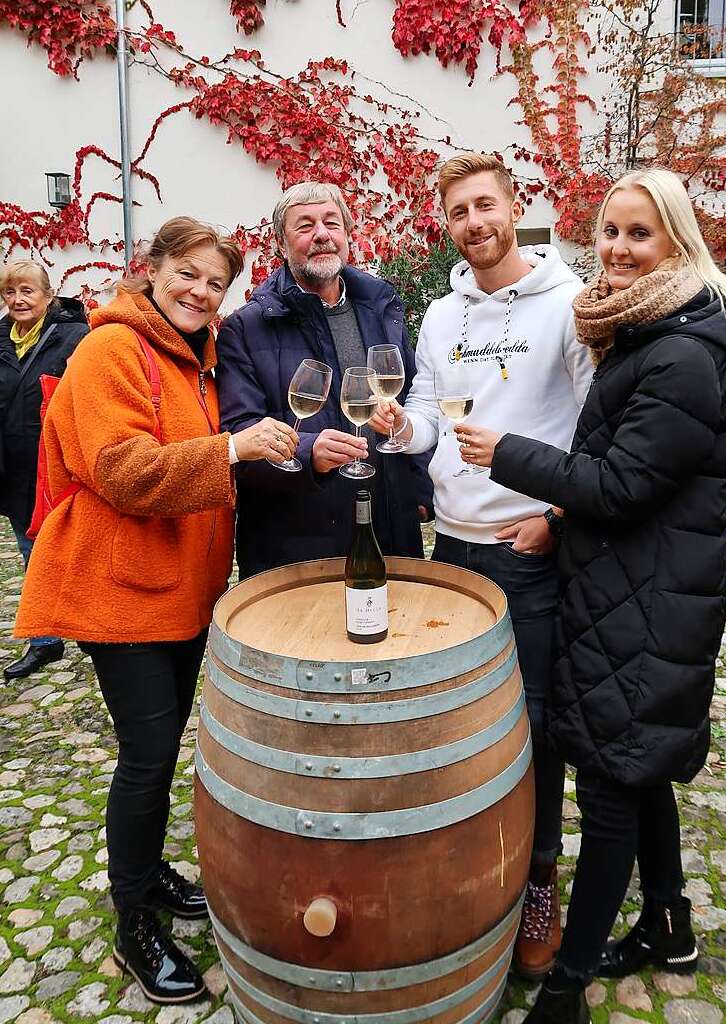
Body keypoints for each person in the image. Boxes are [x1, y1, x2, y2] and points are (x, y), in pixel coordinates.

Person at [457, 168, 726, 1024]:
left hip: (648, 602)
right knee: (639, 771)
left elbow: (623, 483)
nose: (619, 251)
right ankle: (669, 925)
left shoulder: (681, 355)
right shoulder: (650, 331)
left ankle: (567, 986)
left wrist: (509, 456)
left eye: (640, 234)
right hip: (632, 589)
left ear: (677, 241)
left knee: (607, 792)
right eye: (610, 233)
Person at [14, 217, 298, 1005]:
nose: (203, 293)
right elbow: (124, 470)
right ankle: (133, 918)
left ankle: (150, 873)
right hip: (122, 592)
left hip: (179, 591)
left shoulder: (191, 358)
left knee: (166, 741)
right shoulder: (111, 349)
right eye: (190, 274)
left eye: (216, 284)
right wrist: (235, 452)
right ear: (152, 268)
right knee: (145, 757)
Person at [370, 153, 594, 980]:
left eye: (485, 206)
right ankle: (472, 860)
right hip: (453, 549)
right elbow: (430, 416)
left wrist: (556, 517)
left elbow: (595, 424)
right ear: (448, 224)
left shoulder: (568, 304)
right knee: (460, 723)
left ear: (513, 207)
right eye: (459, 212)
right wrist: (400, 427)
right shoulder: (438, 315)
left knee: (531, 727)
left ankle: (538, 879)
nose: (475, 223)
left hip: (526, 549)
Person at [216, 181, 432, 577]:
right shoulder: (244, 330)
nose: (321, 235)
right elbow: (238, 433)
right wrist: (306, 452)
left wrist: (419, 486)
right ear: (281, 244)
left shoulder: (381, 308)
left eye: (332, 223)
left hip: (389, 524)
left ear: (348, 236)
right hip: (300, 540)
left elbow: (417, 398)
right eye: (305, 226)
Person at [0, 261, 89, 679]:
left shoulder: (74, 337)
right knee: (31, 553)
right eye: (10, 292)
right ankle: (45, 641)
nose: (17, 300)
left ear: (48, 296)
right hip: (13, 471)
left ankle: (92, 629)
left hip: (58, 468)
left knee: (77, 551)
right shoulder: (1, 338)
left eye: (26, 291)